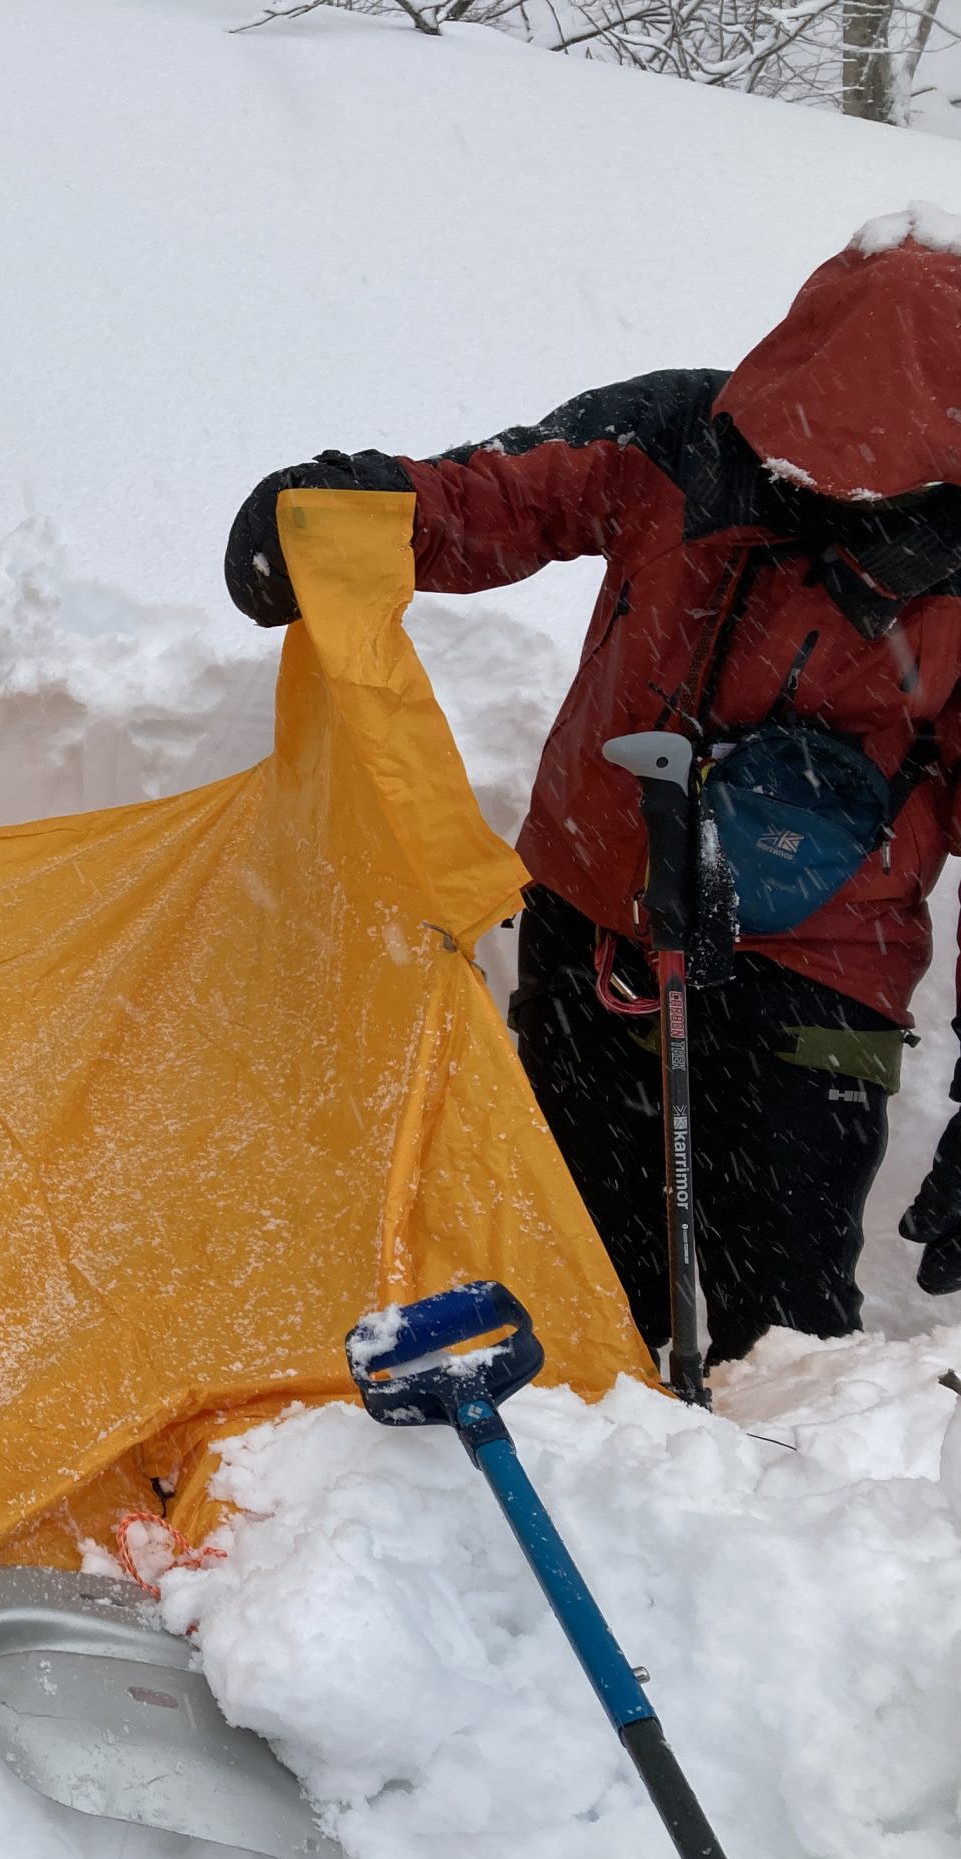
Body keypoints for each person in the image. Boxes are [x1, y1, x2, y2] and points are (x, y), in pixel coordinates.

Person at [224, 210, 961, 1364]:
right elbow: (496, 499)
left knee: (786, 1336)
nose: (818, 503)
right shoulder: (676, 434)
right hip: (594, 921)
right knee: (574, 1269)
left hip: (817, 981)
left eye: (868, 501)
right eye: (792, 476)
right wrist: (342, 514)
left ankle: (761, 1517)